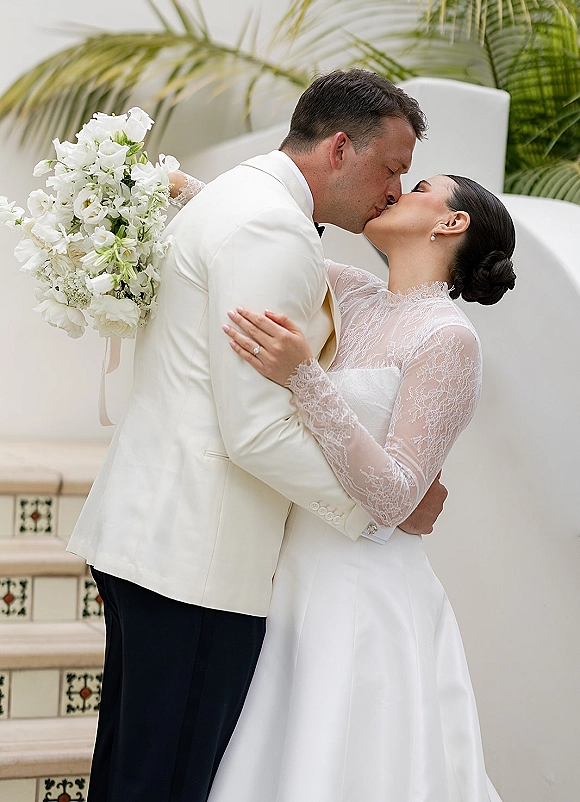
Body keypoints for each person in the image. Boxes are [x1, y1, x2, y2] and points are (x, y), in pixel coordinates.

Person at [67, 70, 448, 802]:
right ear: (340, 148)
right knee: (164, 781)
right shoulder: (270, 226)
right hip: (197, 561)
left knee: (132, 770)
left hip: (156, 540)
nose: (397, 190)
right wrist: (379, 509)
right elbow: (255, 433)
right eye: (393, 168)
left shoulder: (244, 199)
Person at [173, 172, 516, 800]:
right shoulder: (353, 292)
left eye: (418, 186)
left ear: (451, 222)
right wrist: (152, 179)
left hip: (363, 591)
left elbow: (394, 499)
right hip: (290, 576)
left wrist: (305, 376)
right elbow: (257, 226)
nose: (394, 191)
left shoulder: (449, 338)